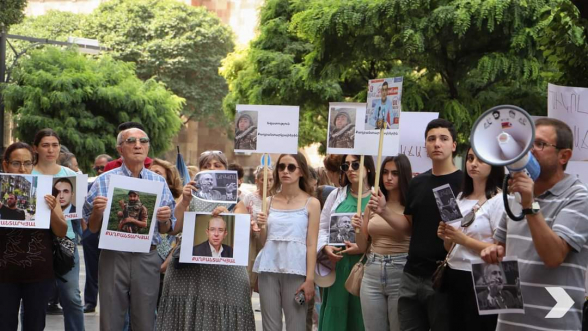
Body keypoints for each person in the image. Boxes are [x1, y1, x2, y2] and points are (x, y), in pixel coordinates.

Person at [481, 118, 588, 331]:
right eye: (527, 145)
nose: (529, 151)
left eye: (539, 144)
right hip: (510, 323)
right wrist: (492, 252)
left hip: (554, 323)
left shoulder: (578, 197)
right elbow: (499, 246)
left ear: (564, 156)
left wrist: (530, 205)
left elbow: (553, 256)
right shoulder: (516, 197)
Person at [370, 119, 461, 331]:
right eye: (431, 139)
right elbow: (408, 227)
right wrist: (383, 210)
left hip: (444, 277)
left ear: (453, 145)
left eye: (443, 138)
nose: (437, 143)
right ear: (425, 146)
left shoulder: (464, 183)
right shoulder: (417, 183)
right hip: (410, 275)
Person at [83, 127, 176, 331]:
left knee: (145, 320)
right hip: (113, 255)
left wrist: (165, 219)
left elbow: (168, 228)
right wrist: (98, 212)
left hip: (147, 256)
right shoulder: (103, 181)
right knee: (111, 319)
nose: (138, 145)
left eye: (143, 141)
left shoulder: (158, 182)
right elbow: (91, 226)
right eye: (131, 141)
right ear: (120, 149)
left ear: (148, 147)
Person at [156, 150, 256, 331]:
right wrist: (184, 202)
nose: (212, 169)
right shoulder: (189, 195)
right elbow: (173, 228)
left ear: (226, 171)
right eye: (206, 166)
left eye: (217, 166)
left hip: (225, 277)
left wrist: (228, 217)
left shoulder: (237, 201)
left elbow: (242, 234)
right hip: (188, 275)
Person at [0, 142, 68, 331]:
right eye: (16, 163)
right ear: (5, 165)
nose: (22, 168)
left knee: (35, 325)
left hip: (38, 272)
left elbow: (61, 231)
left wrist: (52, 209)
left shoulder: (47, 190)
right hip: (4, 273)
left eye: (27, 163)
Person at [435, 146, 504, 330]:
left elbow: (502, 250)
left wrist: (462, 239)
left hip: (486, 275)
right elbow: (449, 247)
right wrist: (446, 236)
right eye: (470, 158)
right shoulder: (460, 197)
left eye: (480, 160)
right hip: (455, 272)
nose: (473, 164)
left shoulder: (500, 199)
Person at [253, 153, 321, 331]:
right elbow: (264, 241)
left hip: (297, 271)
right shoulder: (268, 201)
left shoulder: (312, 203)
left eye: (291, 167)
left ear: (301, 172)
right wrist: (262, 226)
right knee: (270, 326)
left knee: (296, 325)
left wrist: (310, 279)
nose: (285, 171)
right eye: (281, 167)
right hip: (268, 270)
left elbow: (312, 243)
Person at [31, 128, 85, 331]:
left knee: (71, 297)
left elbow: (79, 212)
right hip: (34, 241)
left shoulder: (70, 175)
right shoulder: (29, 174)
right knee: (32, 299)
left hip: (65, 241)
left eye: (55, 145)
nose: (51, 149)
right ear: (35, 148)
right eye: (45, 145)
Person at [351, 155, 412, 331]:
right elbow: (363, 246)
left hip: (401, 269)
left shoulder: (410, 205)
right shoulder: (372, 204)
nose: (389, 177)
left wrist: (384, 210)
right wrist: (358, 227)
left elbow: (408, 230)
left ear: (404, 175)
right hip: (372, 269)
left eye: (395, 173)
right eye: (385, 172)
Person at [317, 154, 376, 331]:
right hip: (339, 267)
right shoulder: (336, 195)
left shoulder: (377, 197)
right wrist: (325, 247)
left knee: (360, 315)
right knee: (337, 314)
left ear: (368, 168)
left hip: (366, 267)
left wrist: (362, 247)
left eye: (356, 165)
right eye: (346, 166)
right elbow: (322, 227)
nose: (350, 169)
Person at [235, 165, 274, 294]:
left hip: (269, 241)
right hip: (252, 241)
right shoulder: (249, 197)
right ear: (257, 181)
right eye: (264, 180)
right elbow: (242, 215)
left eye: (270, 180)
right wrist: (251, 223)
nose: (267, 183)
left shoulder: (276, 199)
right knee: (249, 276)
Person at [82, 154, 113, 313]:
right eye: (97, 167)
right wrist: (86, 230)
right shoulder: (94, 184)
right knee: (91, 269)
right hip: (93, 233)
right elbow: (83, 207)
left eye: (102, 167)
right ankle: (90, 301)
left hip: (113, 235)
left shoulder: (117, 183)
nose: (99, 170)